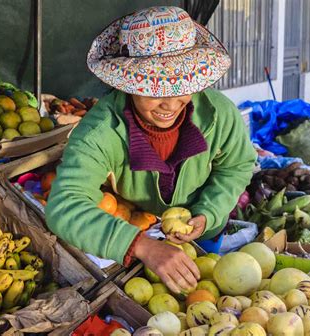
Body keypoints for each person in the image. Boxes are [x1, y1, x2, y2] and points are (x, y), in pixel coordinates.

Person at [45, 6, 256, 294]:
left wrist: (208, 213)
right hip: (129, 231)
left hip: (203, 226)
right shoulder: (100, 131)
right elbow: (64, 205)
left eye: (182, 86)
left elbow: (237, 166)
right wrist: (140, 245)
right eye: (154, 89)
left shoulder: (219, 114)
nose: (169, 104)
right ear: (128, 84)